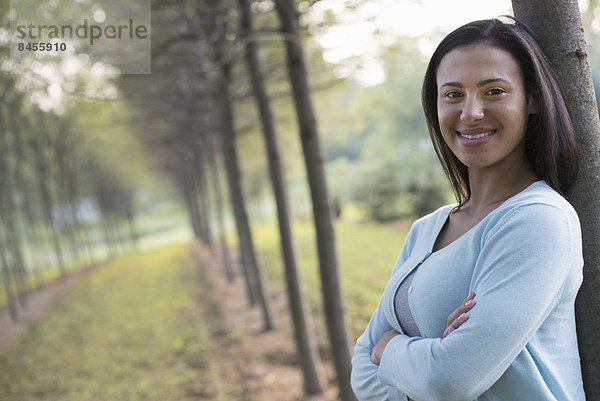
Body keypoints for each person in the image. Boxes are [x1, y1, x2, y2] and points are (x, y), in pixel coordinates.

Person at [350, 17, 586, 401]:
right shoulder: (426, 229)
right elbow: (362, 369)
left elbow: (451, 379)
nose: (471, 112)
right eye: (453, 94)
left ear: (533, 99)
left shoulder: (538, 219)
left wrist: (391, 350)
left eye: (494, 91)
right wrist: (425, 369)